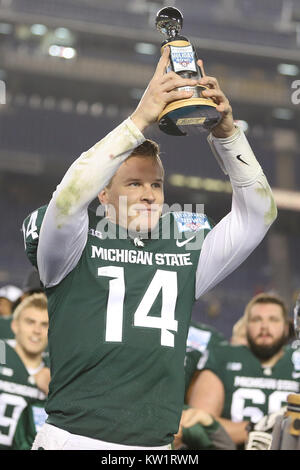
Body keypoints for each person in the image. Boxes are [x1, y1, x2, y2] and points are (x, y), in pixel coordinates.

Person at [22, 47, 276, 450]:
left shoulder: (185, 246)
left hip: (155, 447)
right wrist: (140, 119)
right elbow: (69, 196)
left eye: (156, 185)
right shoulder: (73, 242)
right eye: (134, 184)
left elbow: (258, 214)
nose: (148, 195)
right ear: (104, 194)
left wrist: (227, 134)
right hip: (73, 439)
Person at [186, 293, 300, 448]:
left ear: (286, 328)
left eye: (273, 319)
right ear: (246, 327)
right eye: (256, 319)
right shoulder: (223, 356)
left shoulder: (297, 359)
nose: (264, 326)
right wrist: (259, 429)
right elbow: (197, 421)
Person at [0, 293, 50, 449]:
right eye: (30, 322)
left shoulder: (58, 372)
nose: (37, 330)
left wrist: (57, 390)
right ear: (15, 325)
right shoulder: (2, 351)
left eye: (44, 325)